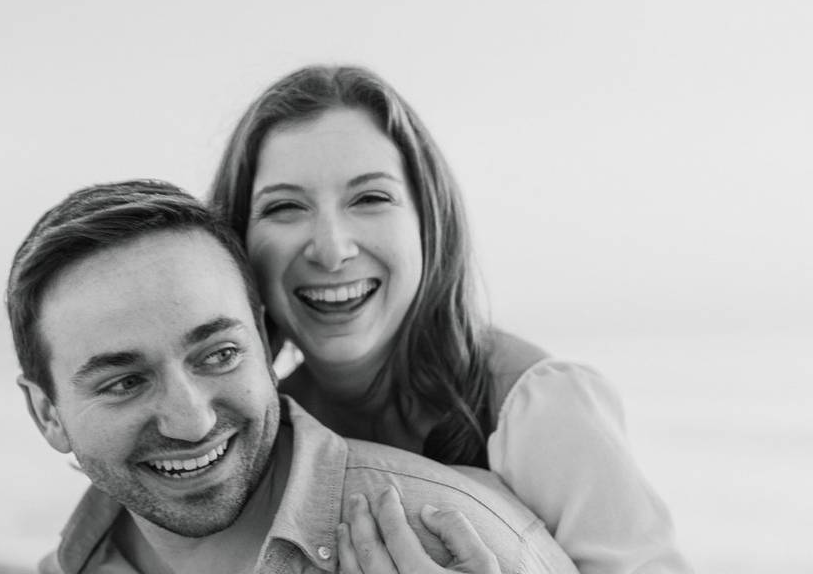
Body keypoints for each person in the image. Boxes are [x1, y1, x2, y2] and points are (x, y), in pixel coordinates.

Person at [209, 65, 693, 573]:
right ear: (236, 242)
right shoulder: (258, 434)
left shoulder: (537, 409)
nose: (331, 250)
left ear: (428, 221)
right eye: (284, 207)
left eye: (370, 198)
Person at [6, 179, 577, 574]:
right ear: (47, 414)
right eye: (125, 382)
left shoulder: (455, 540)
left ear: (261, 338)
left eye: (218, 354)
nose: (191, 420)